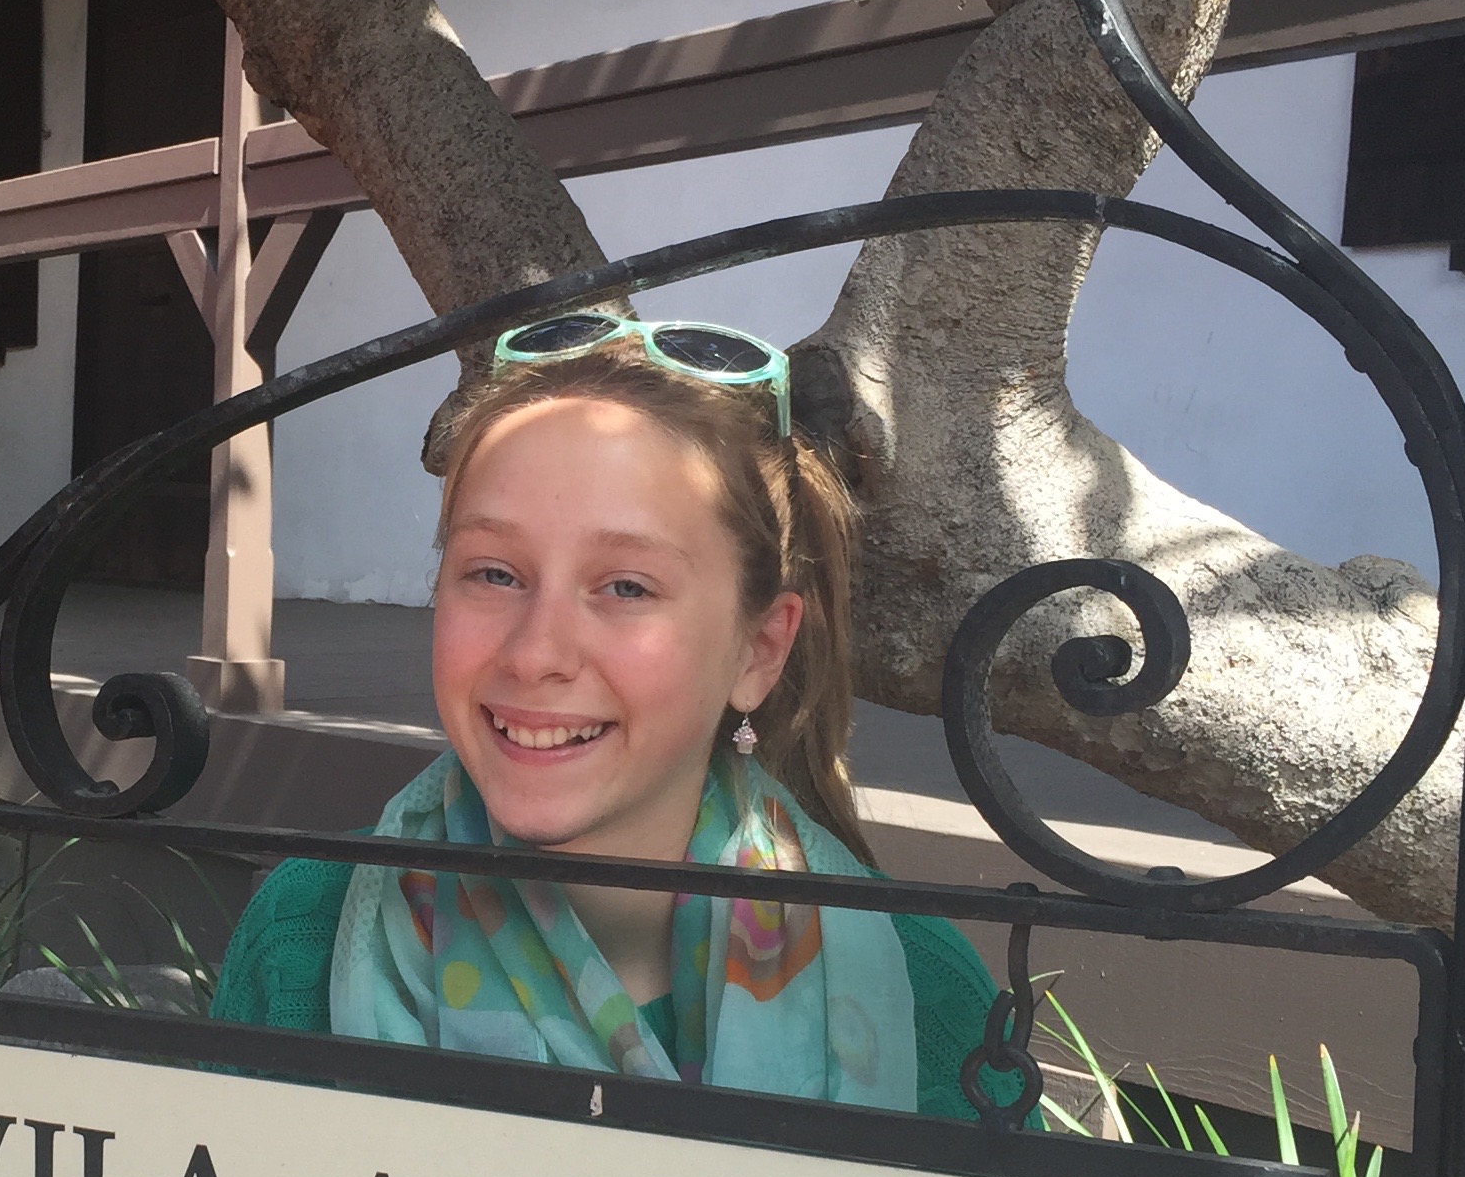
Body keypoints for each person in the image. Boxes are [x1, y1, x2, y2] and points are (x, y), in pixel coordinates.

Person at [212, 313, 1003, 1117]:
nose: (535, 653)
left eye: (627, 586)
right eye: (494, 574)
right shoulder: (304, 935)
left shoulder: (921, 993)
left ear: (758, 651)